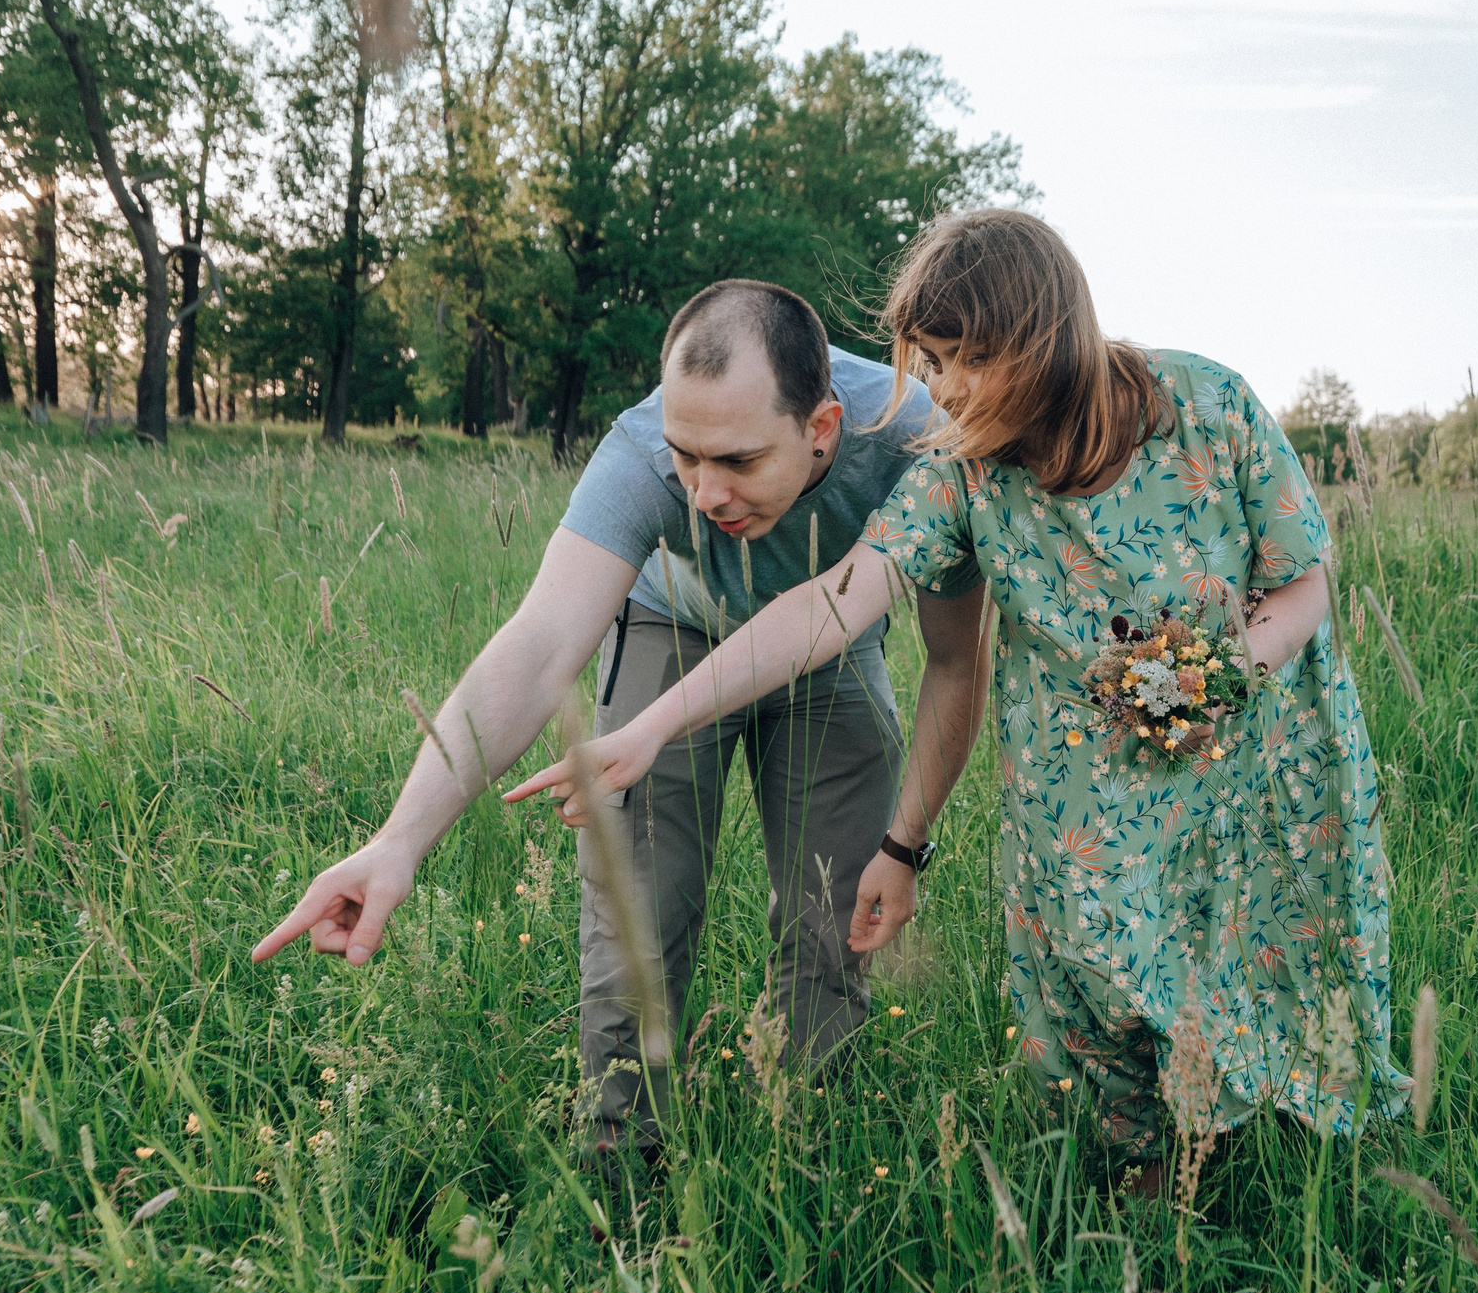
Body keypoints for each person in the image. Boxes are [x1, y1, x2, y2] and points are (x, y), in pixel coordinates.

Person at [524, 211, 1404, 1179]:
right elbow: (834, 599)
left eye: (957, 358)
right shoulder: (961, 467)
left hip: (1244, 745)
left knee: (1250, 944)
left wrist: (1216, 675)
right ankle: (1147, 1185)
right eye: (924, 356)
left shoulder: (1207, 405)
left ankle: (1263, 1158)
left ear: (1036, 339)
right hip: (1081, 779)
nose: (936, 385)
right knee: (1099, 972)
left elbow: (1302, 576)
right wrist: (653, 724)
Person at [253, 278, 989, 1157]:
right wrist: (399, 839)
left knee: (834, 905)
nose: (705, 492)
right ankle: (622, 1160)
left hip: (834, 644)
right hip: (672, 624)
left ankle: (806, 1144)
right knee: (640, 899)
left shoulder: (916, 440)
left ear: (821, 428)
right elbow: (536, 645)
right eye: (688, 457)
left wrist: (905, 845)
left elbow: (956, 658)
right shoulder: (642, 452)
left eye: (740, 462)